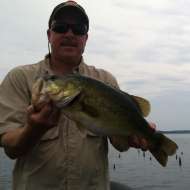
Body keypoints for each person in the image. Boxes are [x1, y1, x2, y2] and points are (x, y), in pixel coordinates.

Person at [0, 1, 156, 190]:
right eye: (60, 27)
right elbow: (10, 147)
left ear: (86, 38)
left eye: (78, 29)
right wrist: (33, 129)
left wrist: (135, 135)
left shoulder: (105, 80)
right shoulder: (20, 78)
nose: (69, 34)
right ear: (49, 35)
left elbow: (120, 143)